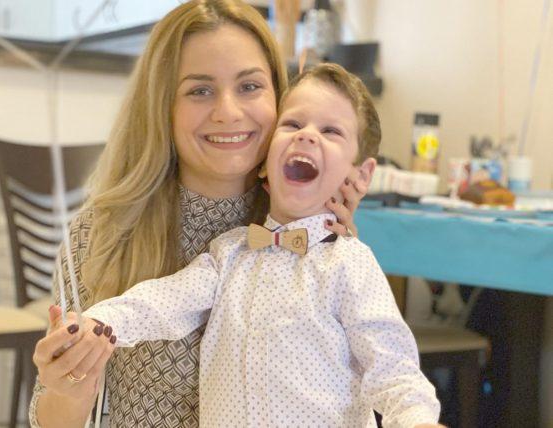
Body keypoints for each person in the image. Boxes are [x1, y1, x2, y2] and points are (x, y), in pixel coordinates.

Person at [30, 1, 366, 427]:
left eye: (249, 86)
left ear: (279, 97)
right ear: (162, 107)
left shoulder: (309, 232)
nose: (228, 111)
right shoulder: (102, 233)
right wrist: (68, 387)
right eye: (199, 91)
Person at [81, 63, 442, 427]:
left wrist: (417, 420)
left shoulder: (349, 263)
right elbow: (165, 300)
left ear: (360, 175)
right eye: (293, 124)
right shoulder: (228, 253)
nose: (307, 135)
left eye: (330, 131)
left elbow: (393, 367)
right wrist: (100, 322)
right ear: (266, 160)